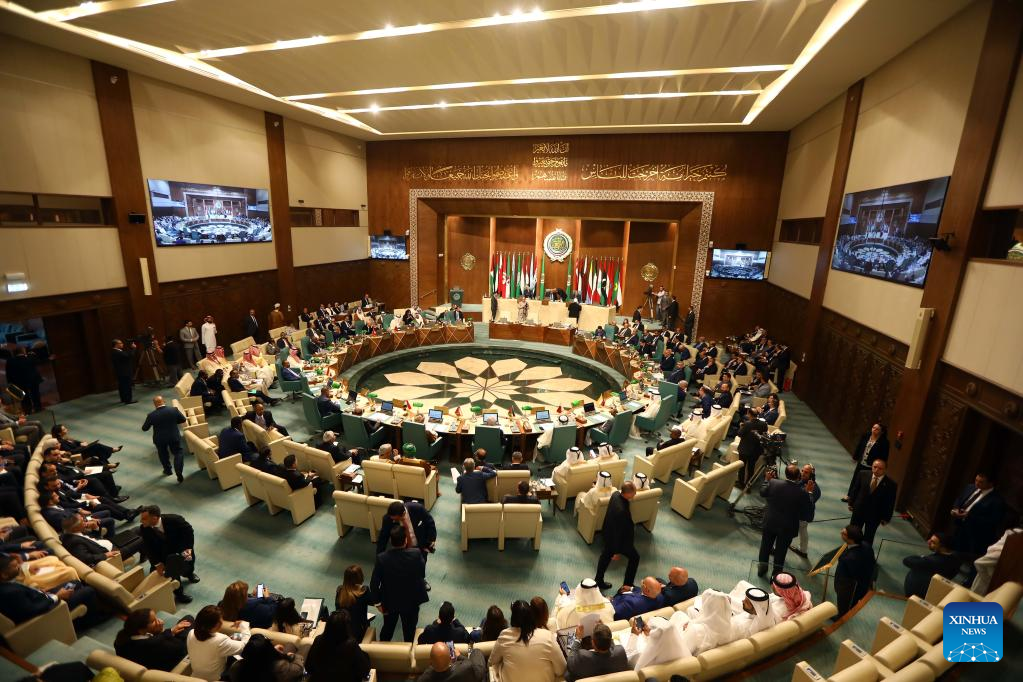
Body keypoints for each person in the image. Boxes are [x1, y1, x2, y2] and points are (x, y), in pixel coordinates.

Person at [371, 525, 429, 642]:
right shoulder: (416, 554)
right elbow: (422, 574)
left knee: (388, 629)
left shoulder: (382, 558)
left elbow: (374, 583)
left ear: (391, 541)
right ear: (406, 540)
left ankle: (381, 649)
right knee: (410, 631)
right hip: (411, 601)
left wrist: (378, 603)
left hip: (390, 601)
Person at [490, 599, 566, 682]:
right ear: (531, 616)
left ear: (512, 618)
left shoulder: (504, 635)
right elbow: (561, 669)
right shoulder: (547, 636)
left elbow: (492, 662)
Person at [757, 464, 811, 577]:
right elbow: (807, 511)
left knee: (765, 547)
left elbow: (762, 492)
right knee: (781, 553)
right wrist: (809, 493)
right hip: (787, 528)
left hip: (770, 522)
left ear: (786, 474)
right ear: (798, 476)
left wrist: (766, 480)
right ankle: (776, 576)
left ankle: (762, 569)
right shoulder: (802, 493)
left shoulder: (773, 482)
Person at [139, 505, 198, 604]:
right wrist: (157, 563)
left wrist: (187, 549)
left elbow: (189, 532)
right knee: (172, 574)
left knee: (189, 563)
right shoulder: (144, 529)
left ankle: (189, 574)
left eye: (144, 518)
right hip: (163, 555)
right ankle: (179, 594)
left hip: (182, 548)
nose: (141, 521)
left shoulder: (175, 519)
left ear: (154, 518)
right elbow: (148, 548)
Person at [114, 608, 193, 672]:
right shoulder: (151, 645)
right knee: (189, 620)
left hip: (152, 657)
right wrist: (161, 632)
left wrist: (171, 631)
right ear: (141, 630)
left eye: (156, 617)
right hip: (169, 662)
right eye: (153, 621)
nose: (159, 621)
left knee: (186, 620)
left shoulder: (122, 638)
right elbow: (180, 647)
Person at [594, 481, 640, 591]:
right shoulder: (621, 511)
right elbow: (618, 532)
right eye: (634, 492)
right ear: (628, 493)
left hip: (608, 534)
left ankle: (598, 580)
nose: (635, 494)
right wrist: (616, 551)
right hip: (620, 541)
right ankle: (627, 585)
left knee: (605, 557)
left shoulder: (615, 494)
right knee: (635, 558)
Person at [949, 472, 1006, 557]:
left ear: (990, 484)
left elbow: (993, 520)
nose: (977, 483)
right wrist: (955, 508)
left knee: (963, 556)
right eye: (976, 480)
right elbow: (959, 499)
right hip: (958, 526)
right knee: (952, 550)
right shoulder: (970, 487)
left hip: (974, 533)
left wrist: (969, 516)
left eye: (981, 482)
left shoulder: (997, 500)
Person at [186, 605, 249, 681]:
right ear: (217, 624)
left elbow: (216, 644)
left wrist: (237, 636)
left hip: (196, 675)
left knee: (236, 637)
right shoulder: (220, 640)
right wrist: (245, 627)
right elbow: (245, 646)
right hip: (217, 678)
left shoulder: (191, 633)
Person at [305, 610, 371, 682]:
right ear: (346, 627)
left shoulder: (318, 640)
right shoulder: (351, 645)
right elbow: (364, 671)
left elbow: (308, 667)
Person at [848, 458, 897, 545]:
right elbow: (855, 490)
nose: (876, 470)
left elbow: (890, 502)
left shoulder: (891, 484)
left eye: (880, 468)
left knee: (869, 537)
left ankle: (865, 551)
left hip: (875, 515)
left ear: (885, 470)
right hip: (859, 510)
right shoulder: (863, 474)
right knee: (853, 533)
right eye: (875, 467)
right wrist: (851, 503)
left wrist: (886, 518)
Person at [376, 500, 437, 566]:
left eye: (396, 519)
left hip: (420, 546)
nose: (393, 521)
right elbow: (383, 538)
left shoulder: (418, 508)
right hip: (401, 551)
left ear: (403, 513)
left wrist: (432, 539)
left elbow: (430, 522)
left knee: (421, 566)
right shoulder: (388, 519)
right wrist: (379, 558)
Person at [142, 396, 186, 482]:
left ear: (155, 404)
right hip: (173, 436)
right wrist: (173, 422)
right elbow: (183, 420)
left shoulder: (151, 415)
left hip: (160, 439)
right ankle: (178, 471)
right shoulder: (174, 410)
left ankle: (168, 470)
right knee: (178, 453)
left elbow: (145, 428)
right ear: (164, 401)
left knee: (163, 454)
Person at [625, 611, 691, 669]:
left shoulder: (646, 660)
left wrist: (634, 635)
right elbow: (661, 638)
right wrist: (650, 634)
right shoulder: (685, 653)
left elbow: (629, 659)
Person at [902, 532, 960, 598]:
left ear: (942, 547)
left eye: (933, 542)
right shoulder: (956, 560)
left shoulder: (932, 561)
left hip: (917, 594)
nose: (928, 542)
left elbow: (907, 560)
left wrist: (922, 557)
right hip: (934, 591)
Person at [835, 525, 876, 617]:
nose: (841, 532)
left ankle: (842, 618)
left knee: (845, 605)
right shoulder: (866, 545)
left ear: (851, 539)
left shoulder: (850, 558)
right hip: (860, 584)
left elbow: (855, 576)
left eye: (844, 533)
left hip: (850, 587)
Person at [228, 633, 304, 682]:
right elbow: (299, 668)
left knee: (290, 644)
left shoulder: (237, 666)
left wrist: (273, 650)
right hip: (289, 671)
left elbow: (260, 655)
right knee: (306, 646)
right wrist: (293, 656)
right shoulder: (281, 666)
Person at [844, 423, 890, 501]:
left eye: (877, 429)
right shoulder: (866, 435)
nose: (874, 430)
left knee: (865, 482)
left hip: (872, 466)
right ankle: (849, 496)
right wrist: (855, 457)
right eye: (873, 428)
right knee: (855, 479)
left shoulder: (884, 442)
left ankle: (859, 499)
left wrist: (881, 466)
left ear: (882, 432)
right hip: (861, 462)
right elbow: (859, 446)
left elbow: (884, 455)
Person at [682, 589, 735, 655]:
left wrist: (687, 629)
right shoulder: (733, 626)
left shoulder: (696, 630)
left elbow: (683, 652)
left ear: (707, 605)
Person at [335, 564, 375, 642]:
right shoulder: (364, 590)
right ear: (360, 577)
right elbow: (374, 602)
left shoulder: (339, 590)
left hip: (342, 629)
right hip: (358, 632)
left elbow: (337, 608)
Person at [417, 641, 488, 682]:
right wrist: (459, 656)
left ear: (430, 662)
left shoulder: (425, 677)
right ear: (451, 659)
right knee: (476, 652)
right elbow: (469, 663)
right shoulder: (465, 668)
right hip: (473, 675)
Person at [791, 463, 821, 559]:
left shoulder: (815, 489)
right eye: (802, 470)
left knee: (801, 530)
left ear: (811, 475)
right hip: (797, 513)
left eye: (806, 472)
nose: (803, 473)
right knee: (802, 531)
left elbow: (808, 502)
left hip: (803, 515)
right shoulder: (801, 481)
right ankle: (803, 550)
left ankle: (803, 550)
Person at [6, 346, 45, 413]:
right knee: (35, 394)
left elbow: (8, 373)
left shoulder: (10, 361)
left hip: (19, 382)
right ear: (23, 351)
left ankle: (27, 410)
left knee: (24, 397)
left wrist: (10, 382)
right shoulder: (29, 358)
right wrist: (32, 354)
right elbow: (37, 361)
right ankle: (38, 408)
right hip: (33, 380)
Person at [111, 338, 138, 404]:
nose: (122, 344)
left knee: (122, 386)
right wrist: (133, 348)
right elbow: (129, 356)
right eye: (120, 343)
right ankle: (128, 400)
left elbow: (126, 354)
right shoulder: (117, 352)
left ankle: (123, 399)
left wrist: (131, 349)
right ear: (116, 344)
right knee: (127, 386)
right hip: (125, 372)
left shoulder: (115, 351)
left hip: (120, 372)